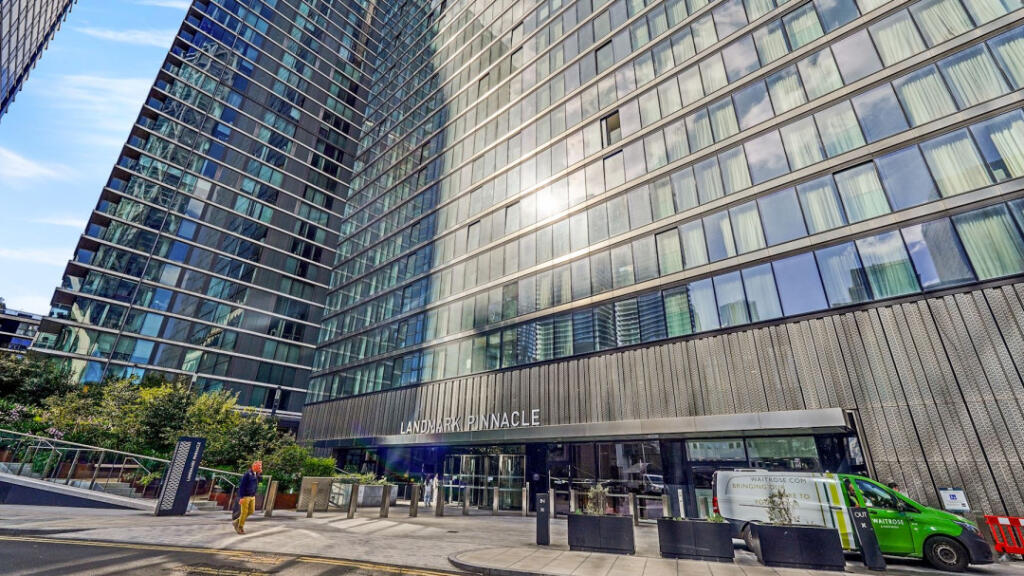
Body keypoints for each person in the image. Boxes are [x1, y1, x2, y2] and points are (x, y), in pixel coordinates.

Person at [233, 461, 261, 534]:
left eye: (260, 466)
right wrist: (242, 497)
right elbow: (242, 486)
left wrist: (260, 474)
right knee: (244, 512)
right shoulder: (247, 474)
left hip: (252, 496)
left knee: (251, 511)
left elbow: (260, 481)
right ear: (254, 466)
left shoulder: (256, 474)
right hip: (245, 496)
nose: (260, 468)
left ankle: (236, 521)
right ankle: (240, 527)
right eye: (259, 466)